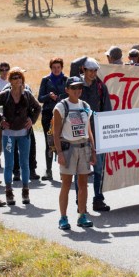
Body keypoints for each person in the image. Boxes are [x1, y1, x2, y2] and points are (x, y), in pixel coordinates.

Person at [0, 67, 41, 205]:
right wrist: (1, 121)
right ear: (10, 80)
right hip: (8, 135)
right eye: (14, 77)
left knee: (25, 163)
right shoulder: (5, 94)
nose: (18, 79)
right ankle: (9, 192)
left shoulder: (27, 94)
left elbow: (38, 108)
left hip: (24, 134)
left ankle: (25, 191)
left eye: (20, 77)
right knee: (9, 164)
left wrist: (32, 120)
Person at [52, 76, 95, 231]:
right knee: (66, 183)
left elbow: (88, 129)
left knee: (83, 183)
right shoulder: (61, 107)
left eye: (79, 88)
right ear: (67, 90)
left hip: (84, 147)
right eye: (73, 88)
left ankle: (82, 215)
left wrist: (93, 150)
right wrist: (60, 153)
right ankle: (63, 217)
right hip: (68, 148)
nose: (77, 91)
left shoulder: (85, 105)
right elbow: (56, 133)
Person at [79, 59, 113, 212]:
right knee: (81, 170)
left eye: (95, 70)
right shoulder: (75, 86)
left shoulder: (101, 87)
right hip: (79, 135)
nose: (93, 73)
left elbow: (107, 110)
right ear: (83, 70)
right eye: (90, 70)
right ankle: (80, 201)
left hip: (98, 134)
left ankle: (98, 199)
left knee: (99, 169)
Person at [37, 57, 68, 182]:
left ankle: (63, 171)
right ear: (51, 68)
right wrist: (49, 96)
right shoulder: (45, 80)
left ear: (61, 68)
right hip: (47, 114)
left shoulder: (66, 80)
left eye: (58, 67)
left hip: (62, 114)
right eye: (54, 67)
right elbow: (40, 98)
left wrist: (58, 98)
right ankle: (48, 170)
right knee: (49, 143)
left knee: (64, 142)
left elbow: (69, 95)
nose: (56, 69)